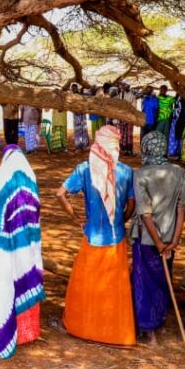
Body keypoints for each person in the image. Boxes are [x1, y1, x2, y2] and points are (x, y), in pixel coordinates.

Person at [58, 126, 135, 346]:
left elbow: (60, 194)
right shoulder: (126, 171)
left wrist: (77, 219)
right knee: (114, 286)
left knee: (88, 285)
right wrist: (120, 220)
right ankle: (114, 332)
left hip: (92, 235)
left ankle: (84, 328)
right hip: (116, 236)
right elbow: (132, 204)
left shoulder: (85, 169)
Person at [0, 145, 45, 357]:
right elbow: (36, 209)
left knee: (6, 280)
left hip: (4, 244)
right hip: (28, 241)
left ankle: (10, 330)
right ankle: (27, 333)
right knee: (26, 272)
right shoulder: (30, 176)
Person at [131, 131, 185, 343]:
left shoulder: (141, 174)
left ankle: (148, 330)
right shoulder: (178, 172)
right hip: (170, 236)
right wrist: (174, 240)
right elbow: (181, 208)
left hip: (147, 238)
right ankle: (160, 323)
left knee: (144, 281)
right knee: (163, 279)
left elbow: (145, 213)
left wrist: (158, 242)